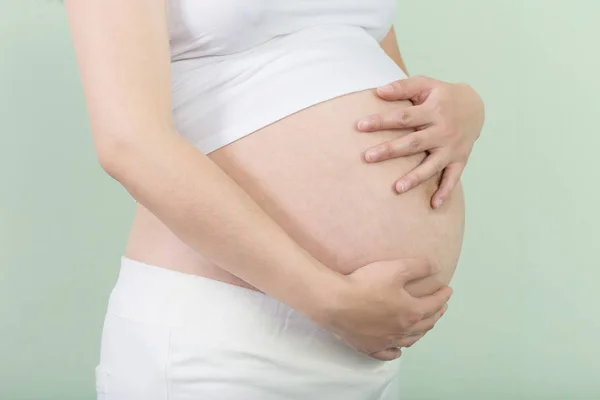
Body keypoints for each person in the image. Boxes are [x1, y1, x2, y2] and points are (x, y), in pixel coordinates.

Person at [64, 1, 484, 399]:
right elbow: (130, 143)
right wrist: (328, 299)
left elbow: (377, 79)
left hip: (362, 349)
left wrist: (463, 110)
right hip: (224, 340)